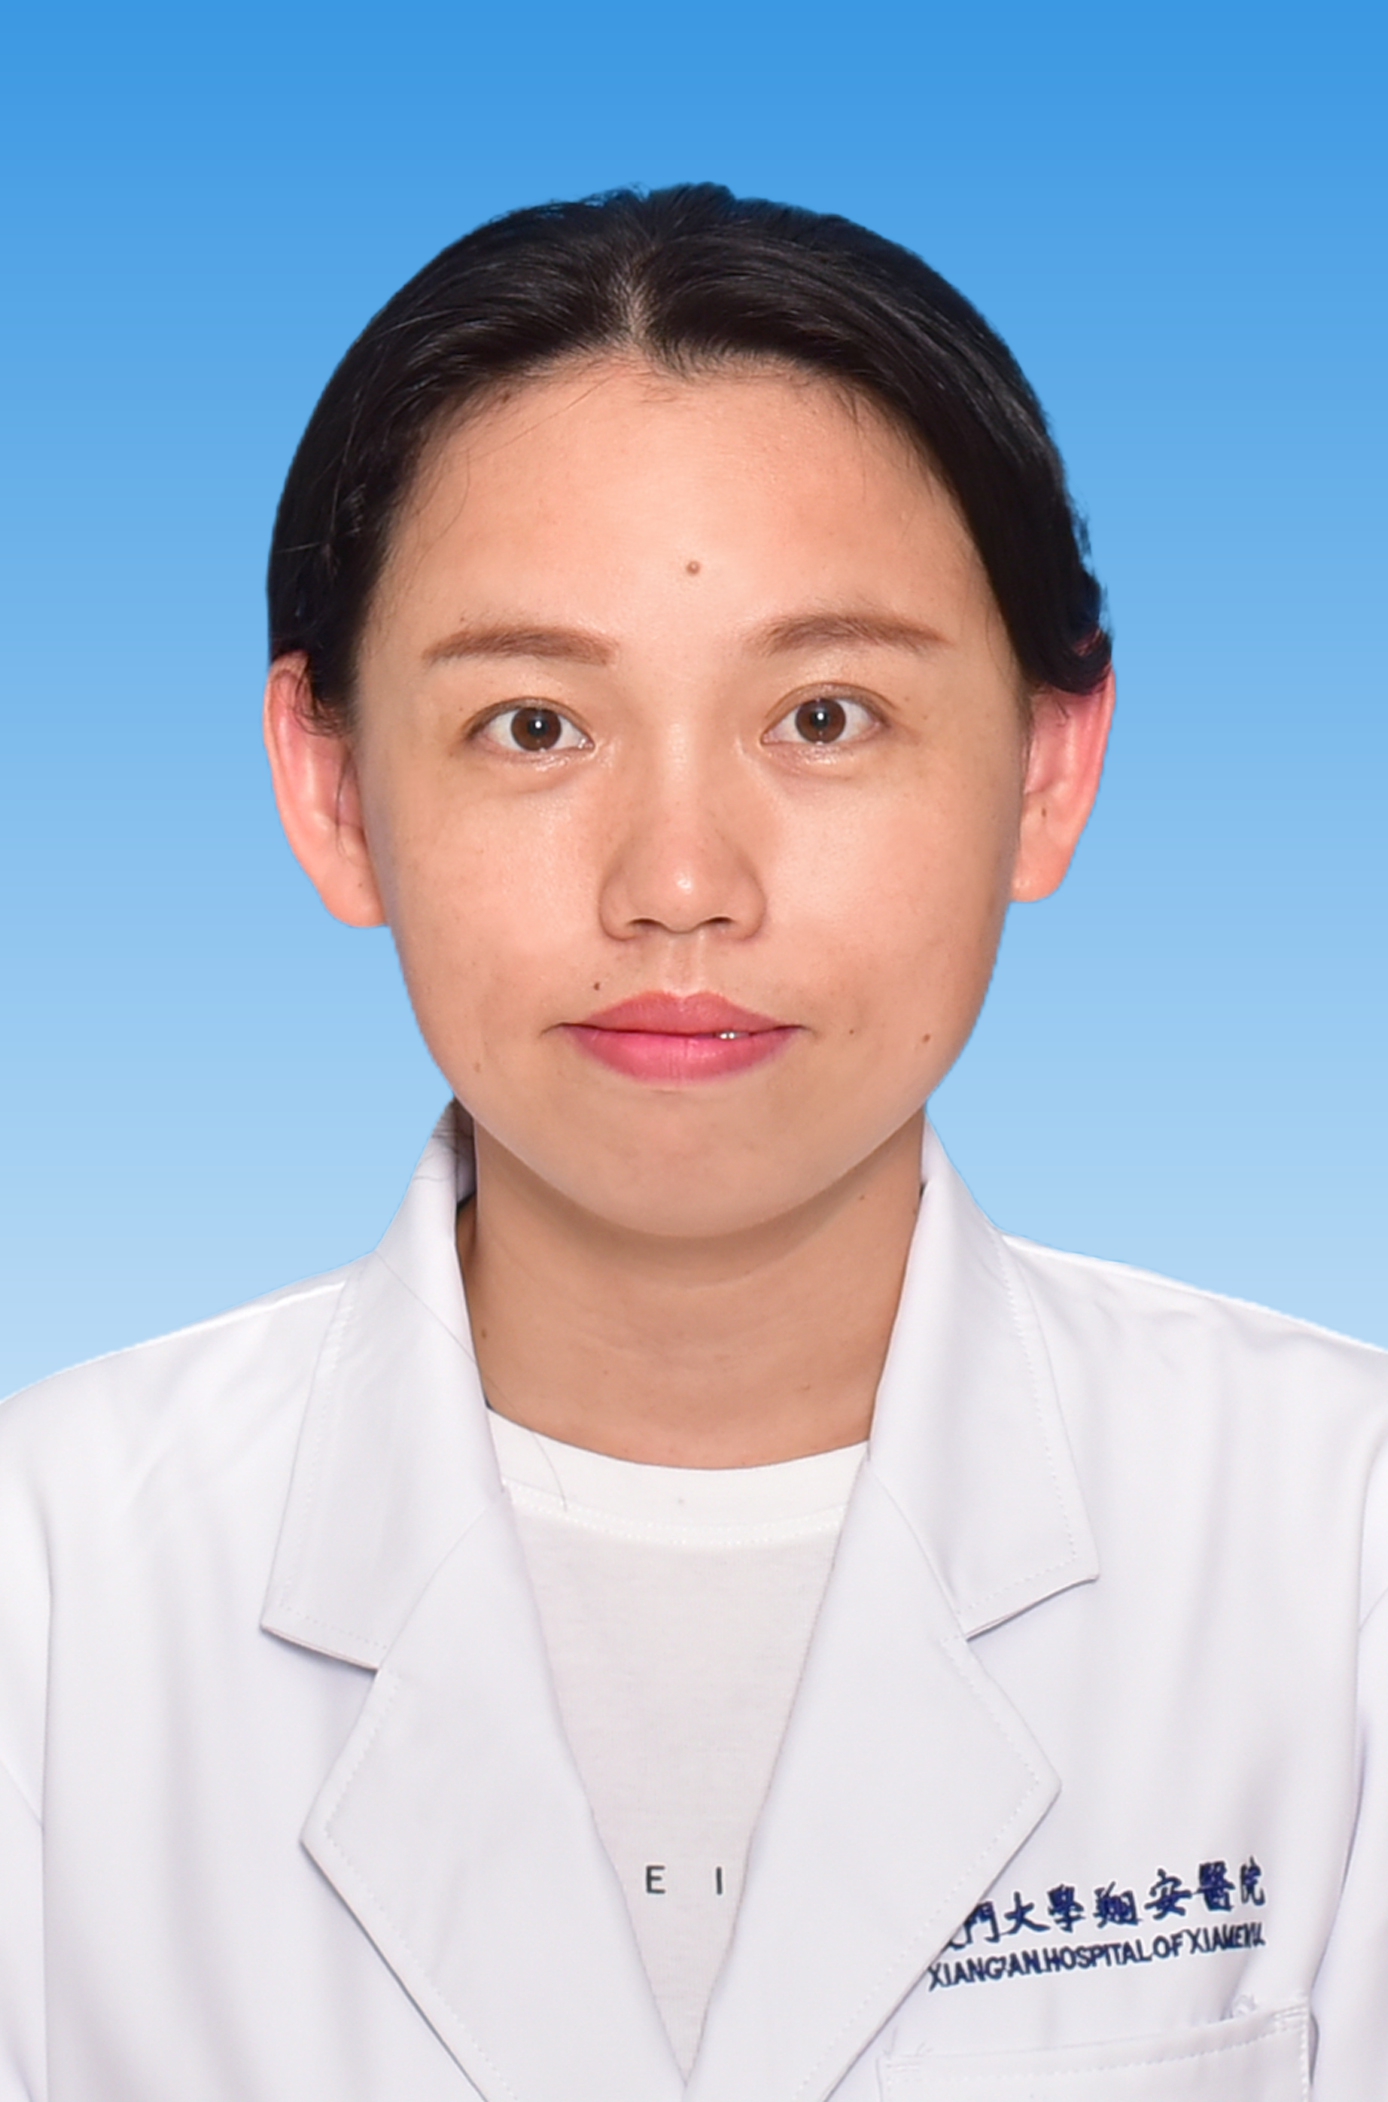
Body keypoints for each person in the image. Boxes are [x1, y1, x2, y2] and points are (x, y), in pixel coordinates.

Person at [0, 184, 1383, 2102]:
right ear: (332, 789)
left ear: (1049, 770)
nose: (676, 882)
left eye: (823, 714)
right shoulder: (48, 1580)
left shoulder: (1341, 1542)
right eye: (533, 725)